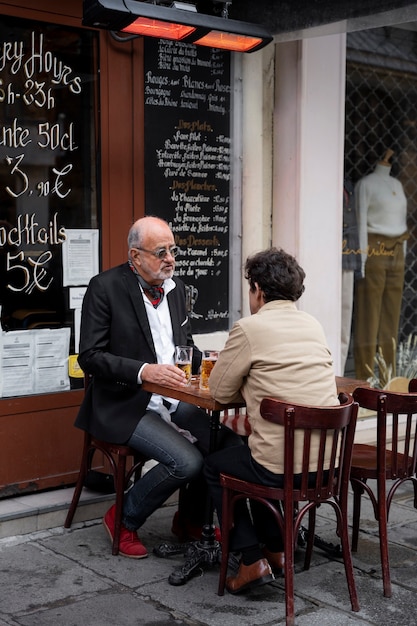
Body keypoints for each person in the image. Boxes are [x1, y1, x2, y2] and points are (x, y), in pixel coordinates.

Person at [75, 216, 242, 558]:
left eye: (173, 250)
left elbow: (184, 345)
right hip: (125, 400)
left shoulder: (176, 288)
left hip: (174, 396)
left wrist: (216, 361)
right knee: (187, 462)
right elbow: (89, 356)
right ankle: (122, 519)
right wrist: (143, 372)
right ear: (135, 256)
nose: (171, 259)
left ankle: (190, 520)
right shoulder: (104, 287)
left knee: (225, 443)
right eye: (161, 252)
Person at [204, 247, 338, 594]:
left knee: (217, 467)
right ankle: (276, 550)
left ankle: (250, 560)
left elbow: (218, 390)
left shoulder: (250, 328)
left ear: (258, 290)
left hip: (281, 466)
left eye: (251, 289)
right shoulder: (313, 325)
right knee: (257, 452)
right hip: (326, 466)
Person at [353, 149, 408, 380]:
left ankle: (389, 378)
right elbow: (360, 222)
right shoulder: (365, 185)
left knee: (391, 316)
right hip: (374, 249)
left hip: (397, 250)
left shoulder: (397, 185)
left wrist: (402, 254)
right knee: (369, 315)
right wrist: (362, 260)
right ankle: (364, 378)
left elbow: (402, 222)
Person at [341, 176, 361, 373]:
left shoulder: (350, 188)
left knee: (344, 322)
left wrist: (358, 264)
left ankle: (338, 373)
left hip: (346, 258)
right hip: (324, 259)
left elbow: (355, 227)